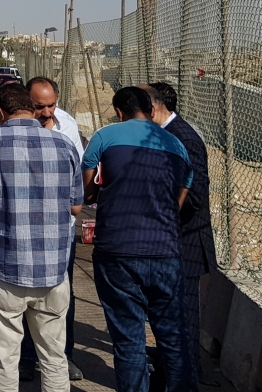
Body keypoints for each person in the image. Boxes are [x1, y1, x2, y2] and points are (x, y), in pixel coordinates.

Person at [0, 83, 82, 392]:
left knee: (3, 356)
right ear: (32, 107)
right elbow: (77, 206)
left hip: (4, 265)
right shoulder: (65, 146)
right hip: (53, 269)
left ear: (0, 113)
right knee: (54, 357)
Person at [82, 87, 196, 392]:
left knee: (128, 339)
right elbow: (179, 198)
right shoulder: (176, 145)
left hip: (116, 251)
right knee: (174, 337)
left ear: (119, 112)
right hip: (165, 253)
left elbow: (88, 191)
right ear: (151, 110)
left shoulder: (105, 137)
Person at [145, 82, 218, 387]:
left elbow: (196, 194)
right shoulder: (165, 135)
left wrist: (162, 211)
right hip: (170, 243)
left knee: (183, 320)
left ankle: (187, 381)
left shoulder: (183, 138)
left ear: (154, 107)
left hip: (185, 243)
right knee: (168, 320)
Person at [20, 77, 84, 382]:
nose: (46, 113)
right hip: (25, 226)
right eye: (39, 107)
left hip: (60, 230)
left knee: (62, 295)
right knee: (21, 294)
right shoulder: (13, 129)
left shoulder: (68, 127)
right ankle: (26, 357)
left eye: (51, 105)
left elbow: (77, 179)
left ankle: (62, 356)